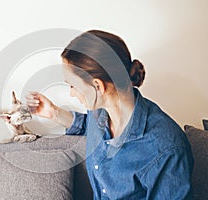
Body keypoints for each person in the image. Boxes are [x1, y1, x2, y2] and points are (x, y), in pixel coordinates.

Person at [26, 30, 194, 199]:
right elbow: (88, 126)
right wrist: (53, 112)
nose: (71, 94)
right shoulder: (99, 114)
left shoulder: (166, 148)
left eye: (72, 86)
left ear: (98, 86)